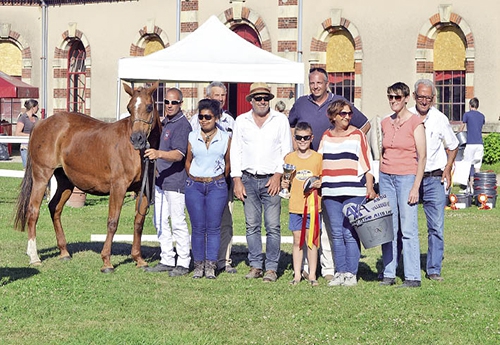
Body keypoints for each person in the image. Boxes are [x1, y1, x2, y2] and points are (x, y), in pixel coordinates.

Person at [288, 67, 371, 282]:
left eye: (319, 83)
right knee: (326, 227)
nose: (315, 86)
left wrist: (349, 139)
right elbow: (291, 128)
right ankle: (322, 269)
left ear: (327, 84)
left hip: (347, 183)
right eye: (312, 82)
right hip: (319, 175)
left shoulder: (343, 109)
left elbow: (366, 125)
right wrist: (298, 152)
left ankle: (334, 269)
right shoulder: (301, 105)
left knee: (345, 230)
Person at [230, 82, 293, 282]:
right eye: (258, 98)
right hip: (248, 179)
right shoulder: (241, 121)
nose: (262, 101)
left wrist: (278, 175)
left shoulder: (280, 120)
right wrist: (237, 180)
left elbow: (286, 151)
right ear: (251, 101)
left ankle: (272, 268)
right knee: (251, 226)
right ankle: (256, 265)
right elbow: (235, 151)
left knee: (273, 226)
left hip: (271, 180)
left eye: (266, 98)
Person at [319, 100, 376, 287]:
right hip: (331, 192)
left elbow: (367, 163)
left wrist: (370, 188)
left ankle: (351, 273)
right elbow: (319, 162)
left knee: (350, 232)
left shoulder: (358, 135)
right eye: (342, 114)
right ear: (333, 117)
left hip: (354, 191)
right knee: (335, 233)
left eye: (349, 113)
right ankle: (339, 272)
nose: (347, 117)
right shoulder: (325, 136)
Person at [409, 79, 459, 282]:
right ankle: (402, 266)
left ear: (433, 98)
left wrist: (447, 168)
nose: (423, 101)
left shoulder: (440, 119)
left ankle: (433, 268)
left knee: (436, 226)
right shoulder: (407, 117)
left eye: (427, 98)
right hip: (410, 178)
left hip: (433, 178)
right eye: (420, 96)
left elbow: (453, 145)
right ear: (414, 96)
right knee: (406, 226)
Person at [379, 82, 426, 288]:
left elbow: (422, 157)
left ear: (407, 98)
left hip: (407, 177)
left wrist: (415, 186)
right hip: (386, 177)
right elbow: (382, 151)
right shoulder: (385, 122)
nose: (393, 101)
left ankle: (412, 275)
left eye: (397, 97)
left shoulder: (415, 122)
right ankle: (389, 272)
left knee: (408, 228)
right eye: (390, 97)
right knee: (388, 226)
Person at [190, 81, 237, 274]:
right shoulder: (195, 123)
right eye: (216, 95)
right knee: (199, 225)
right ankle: (199, 264)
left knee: (222, 223)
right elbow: (189, 158)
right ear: (208, 96)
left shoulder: (230, 121)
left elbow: (230, 158)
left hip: (220, 182)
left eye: (223, 95)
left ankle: (221, 261)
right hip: (198, 181)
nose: (220, 99)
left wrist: (222, 177)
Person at [144, 87, 192, 277]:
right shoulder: (166, 122)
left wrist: (158, 154)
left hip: (176, 181)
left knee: (177, 221)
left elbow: (179, 155)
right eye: (167, 102)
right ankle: (166, 258)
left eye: (174, 102)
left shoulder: (182, 125)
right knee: (160, 221)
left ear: (181, 104)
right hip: (160, 181)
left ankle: (183, 262)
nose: (170, 105)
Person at [282, 122, 322, 286]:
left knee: (311, 239)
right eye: (299, 138)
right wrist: (284, 185)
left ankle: (312, 274)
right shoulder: (289, 158)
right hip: (296, 205)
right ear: (295, 138)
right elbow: (287, 181)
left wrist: (320, 182)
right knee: (297, 239)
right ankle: (297, 274)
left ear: (311, 138)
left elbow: (322, 177)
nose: (303, 140)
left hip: (313, 206)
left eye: (306, 137)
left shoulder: (318, 158)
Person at [459, 97, 485, 174]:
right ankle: (475, 184)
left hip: (470, 143)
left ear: (470, 105)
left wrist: (458, 134)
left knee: (467, 164)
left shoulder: (467, 115)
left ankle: (469, 184)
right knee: (477, 166)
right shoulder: (482, 116)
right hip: (479, 143)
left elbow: (462, 127)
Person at [16, 99, 39, 168]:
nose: (38, 108)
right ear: (33, 108)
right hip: (25, 147)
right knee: (27, 168)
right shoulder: (22, 118)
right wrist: (31, 135)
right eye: (37, 107)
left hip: (35, 147)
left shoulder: (36, 118)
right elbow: (18, 133)